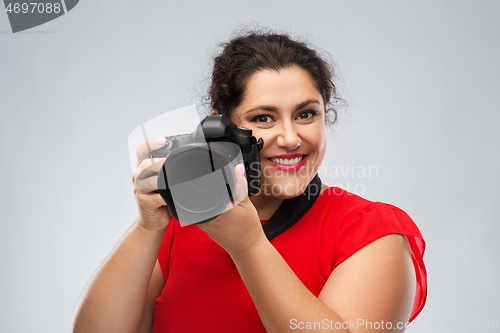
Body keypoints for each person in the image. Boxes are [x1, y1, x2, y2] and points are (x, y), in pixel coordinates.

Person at [72, 30, 426, 333]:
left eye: (306, 114)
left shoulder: (369, 232)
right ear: (221, 129)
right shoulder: (183, 223)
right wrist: (147, 227)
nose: (289, 138)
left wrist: (249, 247)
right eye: (264, 118)